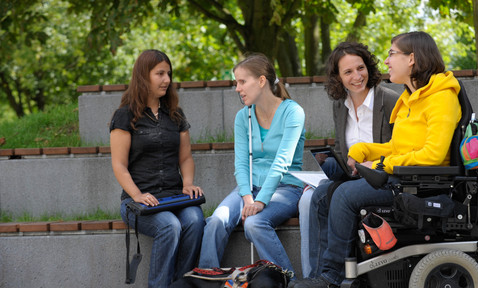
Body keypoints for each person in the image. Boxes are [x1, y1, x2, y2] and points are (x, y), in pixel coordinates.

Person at [290, 31, 462, 288]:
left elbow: (433, 155)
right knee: (325, 194)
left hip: (421, 184)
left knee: (345, 195)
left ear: (412, 59)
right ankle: (325, 273)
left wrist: (382, 164)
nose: (387, 61)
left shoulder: (441, 97)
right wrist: (364, 150)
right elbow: (396, 145)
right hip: (402, 176)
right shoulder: (410, 99)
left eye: (392, 54)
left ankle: (332, 278)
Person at [297, 42, 399, 278]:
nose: (357, 76)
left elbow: (401, 148)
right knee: (318, 195)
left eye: (360, 68)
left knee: (335, 195)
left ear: (369, 68)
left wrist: (373, 163)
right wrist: (329, 167)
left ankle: (334, 274)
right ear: (338, 78)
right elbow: (341, 151)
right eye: (348, 72)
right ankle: (317, 275)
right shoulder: (339, 106)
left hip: (383, 177)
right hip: (352, 177)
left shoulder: (389, 101)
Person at [198, 54, 306, 276]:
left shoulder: (293, 112)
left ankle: (288, 280)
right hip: (249, 189)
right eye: (236, 82)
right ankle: (207, 278)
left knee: (254, 224)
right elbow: (241, 162)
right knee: (216, 221)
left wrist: (260, 201)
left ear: (261, 81)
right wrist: (247, 197)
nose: (237, 88)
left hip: (285, 189)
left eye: (242, 81)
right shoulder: (243, 116)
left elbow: (282, 161)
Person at [110, 49, 205, 288]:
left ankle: (180, 284)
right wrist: (137, 195)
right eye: (160, 73)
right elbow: (119, 165)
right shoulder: (124, 116)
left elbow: (185, 158)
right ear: (144, 76)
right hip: (137, 201)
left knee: (195, 220)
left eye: (168, 74)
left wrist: (188, 183)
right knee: (170, 226)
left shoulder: (175, 115)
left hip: (174, 197)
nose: (167, 80)